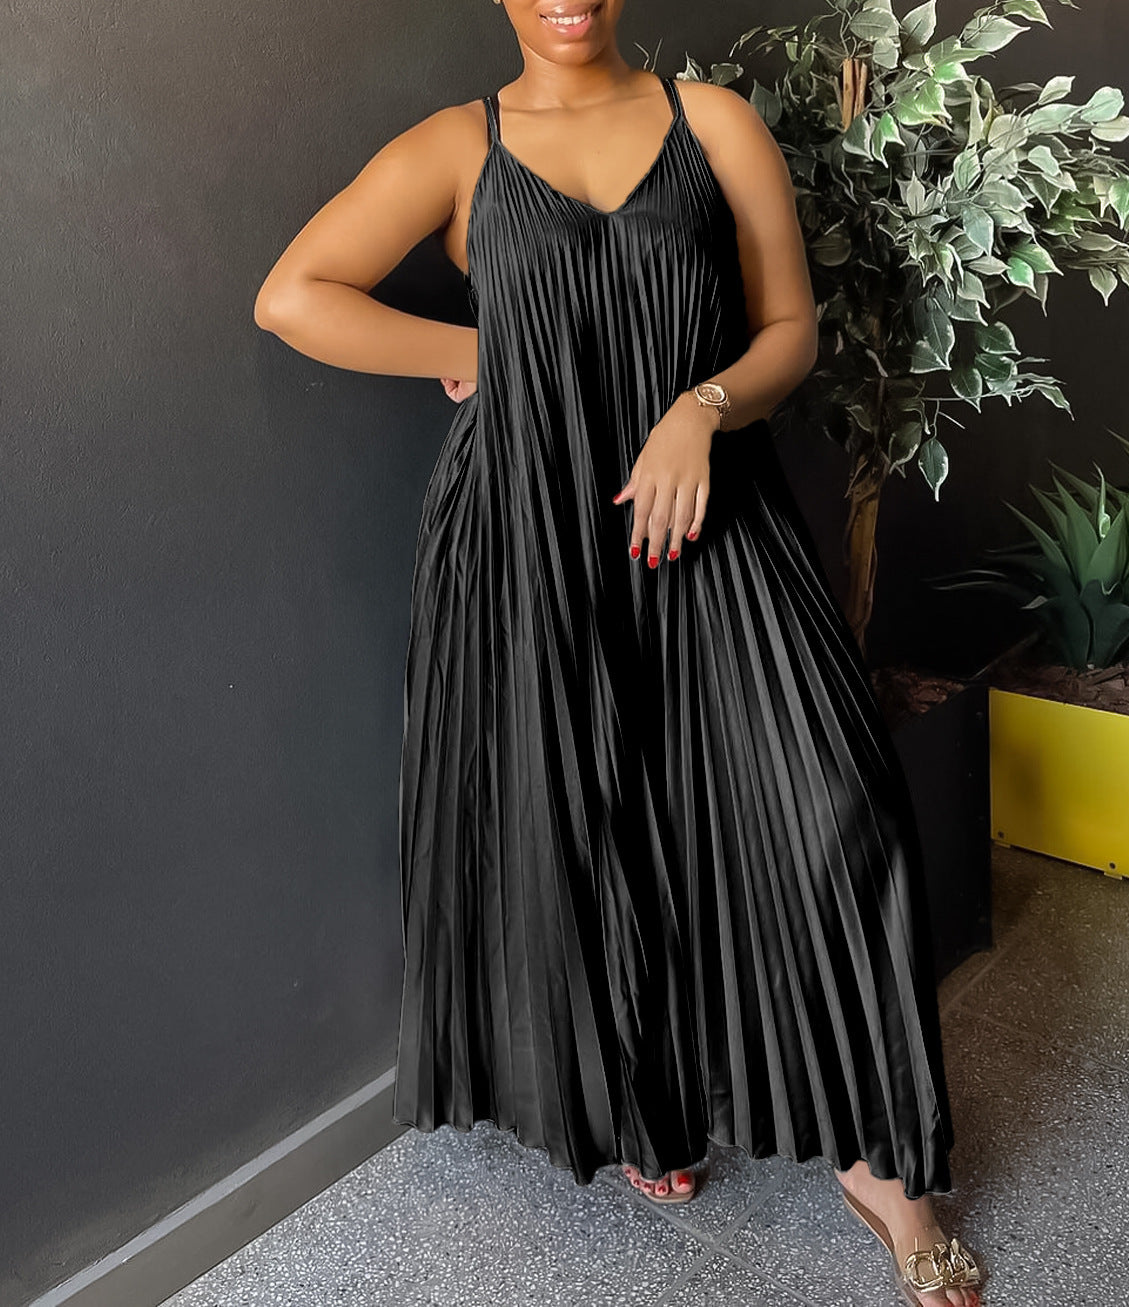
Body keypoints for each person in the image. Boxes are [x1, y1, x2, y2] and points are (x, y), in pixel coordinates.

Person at [253, 2, 984, 1303]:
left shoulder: (715, 126)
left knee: (838, 812)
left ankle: (887, 1169)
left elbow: (789, 331)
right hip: (527, 533)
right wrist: (486, 351)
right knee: (593, 818)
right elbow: (291, 297)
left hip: (712, 516)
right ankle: (646, 1105)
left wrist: (702, 406)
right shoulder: (458, 147)